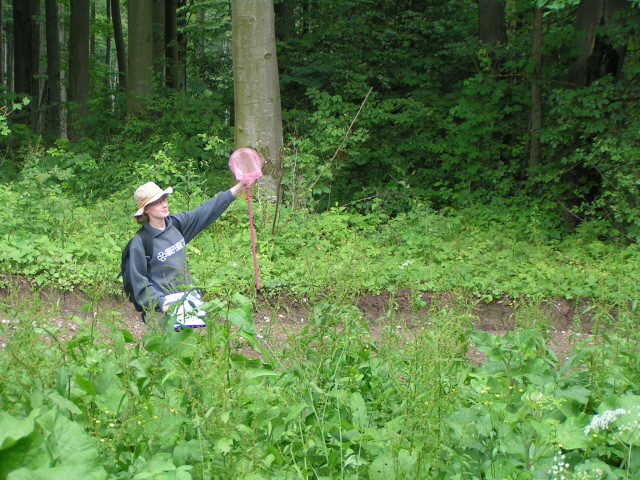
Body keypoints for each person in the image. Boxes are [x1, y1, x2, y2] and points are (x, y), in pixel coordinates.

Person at [129, 179, 252, 326]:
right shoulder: (141, 242)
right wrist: (162, 304)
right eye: (157, 202)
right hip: (161, 311)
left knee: (189, 347)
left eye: (164, 199)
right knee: (165, 349)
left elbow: (205, 211)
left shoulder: (176, 225)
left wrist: (238, 188)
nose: (164, 204)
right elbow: (138, 281)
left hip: (187, 302)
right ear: (146, 209)